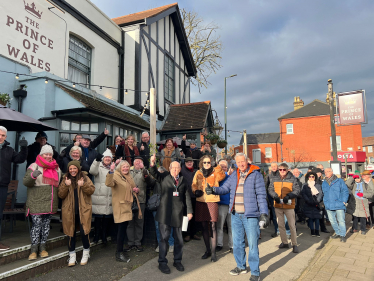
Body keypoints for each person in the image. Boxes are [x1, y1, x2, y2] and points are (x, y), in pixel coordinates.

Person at [205, 153, 269, 281]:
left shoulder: (256, 174)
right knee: (237, 243)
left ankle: (255, 272)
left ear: (247, 161)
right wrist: (213, 190)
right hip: (235, 214)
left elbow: (261, 195)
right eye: (238, 162)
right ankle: (241, 266)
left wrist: (264, 213)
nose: (240, 164)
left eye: (242, 161)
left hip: (250, 215)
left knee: (252, 244)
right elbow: (225, 188)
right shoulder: (235, 174)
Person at [149, 154, 193, 274]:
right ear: (169, 169)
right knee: (164, 239)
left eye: (177, 168)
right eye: (172, 168)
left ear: (180, 169)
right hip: (165, 214)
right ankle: (162, 262)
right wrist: (152, 163)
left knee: (179, 240)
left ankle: (177, 261)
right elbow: (153, 172)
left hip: (179, 214)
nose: (175, 170)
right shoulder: (164, 177)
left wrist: (189, 211)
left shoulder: (183, 180)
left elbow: (187, 196)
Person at [23, 145, 61, 260]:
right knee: (36, 226)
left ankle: (43, 248)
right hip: (36, 202)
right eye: (46, 154)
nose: (48, 156)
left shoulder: (56, 168)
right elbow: (26, 182)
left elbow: (61, 179)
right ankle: (34, 250)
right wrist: (32, 176)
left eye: (50, 154)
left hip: (50, 202)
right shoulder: (34, 166)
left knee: (45, 226)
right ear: (41, 154)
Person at [58, 161, 95, 266]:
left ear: (78, 169)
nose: (72, 170)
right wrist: (65, 185)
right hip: (69, 211)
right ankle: (72, 255)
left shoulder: (85, 177)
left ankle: (86, 253)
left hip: (83, 210)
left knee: (85, 232)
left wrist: (83, 186)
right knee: (71, 233)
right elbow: (60, 195)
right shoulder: (65, 179)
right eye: (71, 169)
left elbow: (91, 190)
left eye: (74, 168)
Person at [105, 160, 141, 262]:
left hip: (128, 206)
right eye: (123, 167)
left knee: (124, 229)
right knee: (121, 231)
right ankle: (119, 254)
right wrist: (111, 171)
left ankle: (120, 251)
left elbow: (133, 187)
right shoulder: (115, 175)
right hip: (120, 207)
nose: (125, 169)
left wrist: (136, 190)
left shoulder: (129, 176)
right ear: (119, 168)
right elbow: (108, 183)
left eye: (127, 167)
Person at [191, 155, 226, 262]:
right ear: (202, 163)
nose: (207, 164)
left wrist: (217, 166)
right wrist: (195, 191)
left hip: (212, 200)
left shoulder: (215, 172)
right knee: (204, 227)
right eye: (205, 162)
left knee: (213, 226)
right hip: (201, 202)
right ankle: (208, 250)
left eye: (209, 162)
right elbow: (194, 184)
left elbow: (222, 176)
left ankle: (214, 252)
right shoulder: (198, 172)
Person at [0, 126, 28, 251]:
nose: (0, 137)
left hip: (2, 186)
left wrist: (24, 148)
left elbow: (20, 159)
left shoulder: (9, 150)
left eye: (2, 135)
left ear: (5, 137)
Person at [268, 163, 300, 253]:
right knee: (280, 225)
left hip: (289, 206)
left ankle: (294, 244)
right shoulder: (274, 178)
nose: (282, 171)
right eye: (280, 169)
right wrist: (275, 196)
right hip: (278, 205)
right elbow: (270, 189)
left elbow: (297, 190)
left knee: (292, 226)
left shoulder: (292, 179)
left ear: (287, 170)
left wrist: (289, 196)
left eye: (284, 170)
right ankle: (284, 242)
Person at [125, 157, 155, 252]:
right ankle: (130, 243)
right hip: (129, 200)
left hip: (140, 200)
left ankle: (137, 243)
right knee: (130, 222)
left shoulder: (145, 172)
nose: (138, 163)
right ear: (133, 163)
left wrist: (144, 170)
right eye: (136, 161)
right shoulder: (128, 170)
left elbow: (150, 182)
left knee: (139, 222)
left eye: (140, 162)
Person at [89, 149, 118, 245]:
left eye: (109, 158)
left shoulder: (114, 168)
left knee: (106, 218)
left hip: (109, 194)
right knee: (98, 218)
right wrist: (96, 161)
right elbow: (92, 171)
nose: (107, 159)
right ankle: (97, 236)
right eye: (106, 157)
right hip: (99, 195)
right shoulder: (99, 166)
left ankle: (104, 236)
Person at [322, 168, 349, 242]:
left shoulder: (339, 181)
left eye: (328, 171)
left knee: (341, 221)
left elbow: (345, 191)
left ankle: (343, 235)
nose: (326, 173)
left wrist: (344, 201)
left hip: (339, 204)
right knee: (332, 221)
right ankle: (337, 232)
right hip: (328, 204)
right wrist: (324, 202)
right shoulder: (324, 182)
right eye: (325, 172)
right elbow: (323, 193)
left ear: (332, 172)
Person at [152, 166, 175, 253]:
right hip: (157, 206)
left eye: (162, 172)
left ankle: (171, 243)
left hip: (167, 205)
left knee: (168, 225)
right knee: (158, 227)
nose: (160, 174)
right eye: (159, 172)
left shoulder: (170, 181)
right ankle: (160, 244)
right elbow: (149, 181)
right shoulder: (154, 181)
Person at [266, 162, 291, 238]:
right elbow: (268, 188)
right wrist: (271, 197)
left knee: (285, 215)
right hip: (274, 199)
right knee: (275, 216)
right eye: (272, 166)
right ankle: (277, 231)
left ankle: (287, 232)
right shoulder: (269, 176)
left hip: (284, 198)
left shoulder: (281, 175)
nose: (274, 168)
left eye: (275, 166)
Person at [346, 171, 374, 235]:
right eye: (355, 178)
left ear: (360, 178)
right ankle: (354, 228)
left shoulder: (366, 185)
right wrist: (352, 177)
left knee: (363, 217)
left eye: (358, 178)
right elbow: (347, 183)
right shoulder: (353, 185)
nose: (357, 179)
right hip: (355, 203)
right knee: (355, 217)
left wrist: (363, 194)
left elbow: (371, 193)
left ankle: (363, 229)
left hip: (363, 203)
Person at [180, 157, 200, 242]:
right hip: (185, 197)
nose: (189, 163)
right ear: (185, 163)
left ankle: (194, 233)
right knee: (186, 216)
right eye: (187, 162)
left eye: (190, 162)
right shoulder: (182, 171)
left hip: (195, 197)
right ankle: (186, 234)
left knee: (195, 216)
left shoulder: (196, 171)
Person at [216, 159, 233, 252]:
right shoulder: (217, 177)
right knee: (220, 226)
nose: (223, 168)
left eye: (225, 166)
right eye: (221, 166)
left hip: (231, 204)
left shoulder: (231, 176)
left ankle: (232, 245)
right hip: (221, 204)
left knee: (231, 226)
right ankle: (219, 244)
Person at [300, 172, 323, 237]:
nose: (311, 178)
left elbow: (320, 193)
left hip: (316, 204)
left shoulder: (317, 185)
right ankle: (312, 231)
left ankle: (317, 231)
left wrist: (318, 200)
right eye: (310, 177)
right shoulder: (305, 185)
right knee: (310, 218)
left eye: (313, 176)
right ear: (308, 177)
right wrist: (308, 200)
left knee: (317, 218)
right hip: (308, 204)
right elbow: (303, 193)